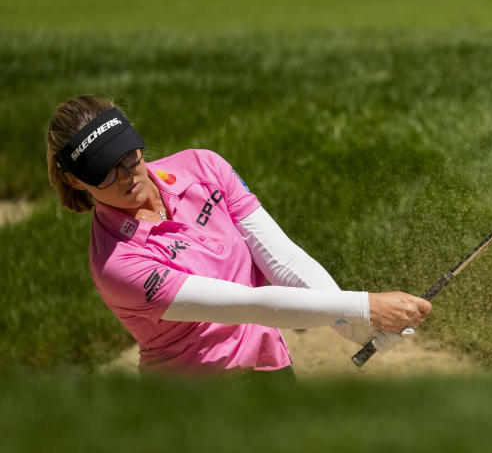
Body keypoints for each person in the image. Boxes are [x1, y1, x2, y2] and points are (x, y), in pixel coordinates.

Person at [46, 95, 431, 376]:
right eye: (105, 172)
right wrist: (363, 306)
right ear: (76, 180)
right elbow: (249, 305)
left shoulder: (203, 166)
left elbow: (283, 260)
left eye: (129, 156)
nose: (127, 175)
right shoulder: (118, 264)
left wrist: (353, 327)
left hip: (269, 369)